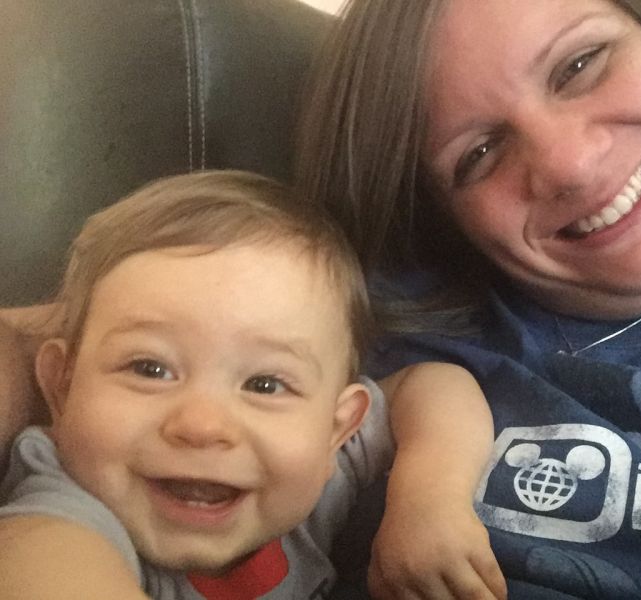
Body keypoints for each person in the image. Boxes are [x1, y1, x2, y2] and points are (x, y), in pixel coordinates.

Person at [295, 0, 641, 597]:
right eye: (480, 154)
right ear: (444, 221)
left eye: (580, 65)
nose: (572, 167)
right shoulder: (397, 349)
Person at [0, 170, 505, 600]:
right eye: (149, 369)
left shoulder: (313, 467)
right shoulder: (70, 501)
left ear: (337, 430)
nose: (202, 426)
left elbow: (435, 384)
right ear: (62, 387)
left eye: (264, 384)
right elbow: (41, 561)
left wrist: (427, 500)